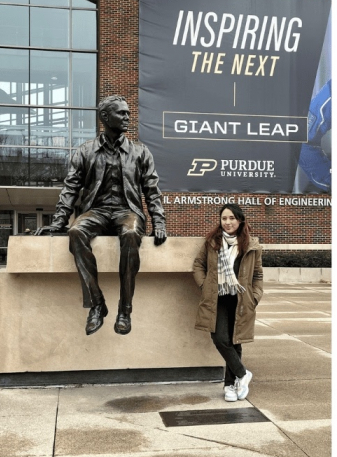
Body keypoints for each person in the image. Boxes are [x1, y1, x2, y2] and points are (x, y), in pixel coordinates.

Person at [35, 95, 167, 336]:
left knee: (129, 234)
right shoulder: (85, 151)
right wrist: (58, 222)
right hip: (96, 211)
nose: (127, 117)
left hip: (128, 212)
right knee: (75, 231)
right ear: (105, 117)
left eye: (128, 113)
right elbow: (71, 188)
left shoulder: (140, 152)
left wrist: (159, 220)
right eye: (121, 113)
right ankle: (97, 304)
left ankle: (125, 310)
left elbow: (151, 189)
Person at [193, 204, 263, 402]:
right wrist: (204, 285)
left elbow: (258, 275)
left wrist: (255, 296)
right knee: (220, 338)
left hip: (241, 299)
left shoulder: (251, 245)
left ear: (240, 220)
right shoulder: (212, 242)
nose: (228, 222)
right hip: (218, 298)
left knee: (236, 341)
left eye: (232, 218)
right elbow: (199, 265)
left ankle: (230, 386)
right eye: (224, 218)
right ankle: (243, 374)